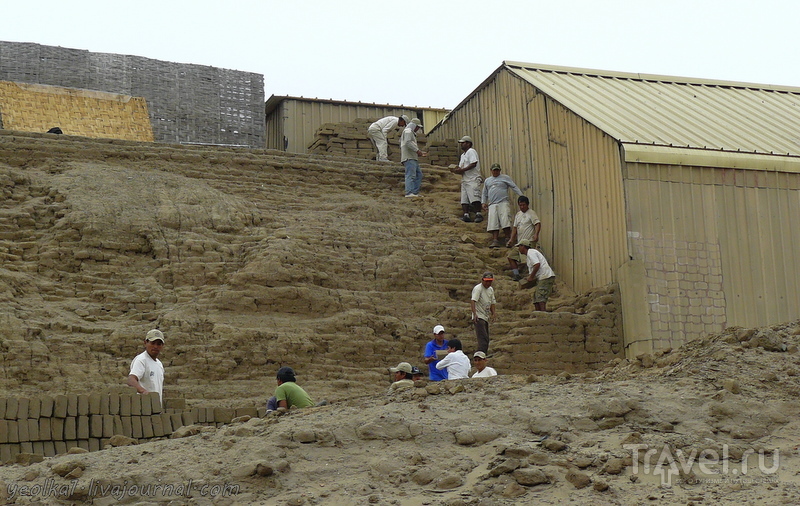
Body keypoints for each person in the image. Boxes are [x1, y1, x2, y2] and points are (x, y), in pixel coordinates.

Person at [481, 163, 524, 248]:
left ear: (500, 170)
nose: (495, 172)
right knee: (493, 223)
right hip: (492, 204)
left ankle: (508, 239)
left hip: (503, 202)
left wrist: (521, 195)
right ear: (491, 171)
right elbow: (484, 193)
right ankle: (495, 240)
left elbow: (514, 187)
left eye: (497, 170)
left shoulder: (505, 178)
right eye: (494, 170)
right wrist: (483, 202)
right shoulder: (487, 180)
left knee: (506, 221)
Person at [506, 196, 542, 280]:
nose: (522, 207)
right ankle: (516, 274)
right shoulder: (518, 214)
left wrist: (536, 234)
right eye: (520, 205)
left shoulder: (531, 213)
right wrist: (511, 239)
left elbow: (537, 224)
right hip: (520, 243)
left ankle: (531, 277)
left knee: (527, 261)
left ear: (527, 204)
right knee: (511, 256)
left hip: (528, 242)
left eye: (524, 205)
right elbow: (515, 228)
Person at [516, 239, 556, 311]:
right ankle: (538, 314)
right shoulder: (529, 255)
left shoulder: (531, 252)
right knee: (536, 298)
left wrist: (531, 277)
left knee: (540, 297)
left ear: (523, 246)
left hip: (545, 276)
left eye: (519, 246)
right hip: (542, 277)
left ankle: (543, 315)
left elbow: (537, 265)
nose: (518, 248)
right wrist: (528, 277)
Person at [450, 135, 483, 223]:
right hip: (465, 179)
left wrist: (462, 170)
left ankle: (478, 213)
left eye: (463, 143)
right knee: (464, 199)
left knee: (475, 197)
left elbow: (473, 164)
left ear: (468, 144)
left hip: (473, 178)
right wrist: (456, 170)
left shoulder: (471, 151)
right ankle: (466, 215)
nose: (461, 145)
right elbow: (461, 167)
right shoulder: (462, 155)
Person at [127, 329, 166, 402]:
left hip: (156, 408)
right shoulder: (142, 360)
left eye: (158, 344)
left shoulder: (159, 364)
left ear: (162, 346)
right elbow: (131, 380)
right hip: (144, 408)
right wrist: (144, 392)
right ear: (145, 343)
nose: (155, 346)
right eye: (152, 343)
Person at [400, 118, 427, 197]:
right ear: (413, 125)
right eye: (417, 127)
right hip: (409, 158)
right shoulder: (408, 131)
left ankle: (414, 192)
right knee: (410, 175)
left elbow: (411, 145)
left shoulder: (411, 133)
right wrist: (418, 151)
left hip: (413, 158)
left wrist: (419, 152)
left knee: (419, 175)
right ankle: (409, 192)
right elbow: (408, 142)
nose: (418, 129)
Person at [471, 272, 497, 354]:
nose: (488, 283)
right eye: (486, 281)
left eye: (490, 281)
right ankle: (481, 355)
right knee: (483, 338)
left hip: (485, 316)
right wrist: (474, 313)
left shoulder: (490, 289)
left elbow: (492, 302)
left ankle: (483, 354)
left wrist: (493, 313)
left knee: (486, 338)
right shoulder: (478, 289)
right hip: (479, 316)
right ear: (482, 280)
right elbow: (473, 301)